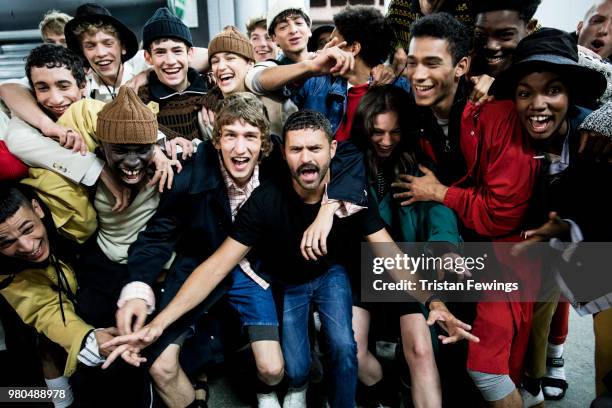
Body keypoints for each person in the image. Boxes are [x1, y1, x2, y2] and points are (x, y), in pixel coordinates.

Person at [103, 109, 478, 408]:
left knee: (345, 347)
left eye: (315, 149)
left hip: (333, 273)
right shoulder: (265, 201)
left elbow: (392, 257)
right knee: (291, 367)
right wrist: (158, 324)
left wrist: (434, 302)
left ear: (332, 150)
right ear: (283, 154)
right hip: (288, 282)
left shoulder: (351, 199)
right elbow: (215, 266)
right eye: (296, 150)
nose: (306, 158)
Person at [395, 13, 540, 407]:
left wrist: (440, 193)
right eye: (412, 61)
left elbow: (502, 215)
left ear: (461, 66)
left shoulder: (496, 113)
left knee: (490, 369)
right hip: (457, 260)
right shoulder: (417, 116)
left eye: (432, 62)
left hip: (506, 259)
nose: (418, 74)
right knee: (463, 372)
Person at [490, 27, 609, 405]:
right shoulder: (504, 134)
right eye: (525, 92)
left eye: (552, 90)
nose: (537, 104)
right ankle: (533, 379)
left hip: (593, 251)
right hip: (532, 246)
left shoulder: (597, 135)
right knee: (537, 307)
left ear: (571, 95)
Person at [350, 84, 461, 407]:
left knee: (421, 349)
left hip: (407, 269)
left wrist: (445, 250)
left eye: (394, 132)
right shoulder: (350, 162)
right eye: (377, 132)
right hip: (363, 268)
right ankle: (386, 390)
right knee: (351, 351)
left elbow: (439, 213)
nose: (386, 141)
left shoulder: (418, 164)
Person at [0, 183, 145, 408]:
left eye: (28, 229)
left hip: (85, 271)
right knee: (27, 366)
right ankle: (60, 401)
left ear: (37, 208)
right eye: (7, 242)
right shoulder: (5, 269)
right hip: (30, 301)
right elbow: (42, 308)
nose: (28, 247)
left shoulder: (64, 199)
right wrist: (86, 338)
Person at [248, 6, 409, 141]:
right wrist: (313, 68)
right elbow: (260, 82)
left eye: (332, 42)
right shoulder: (316, 83)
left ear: (353, 49)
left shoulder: (395, 86)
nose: (325, 49)